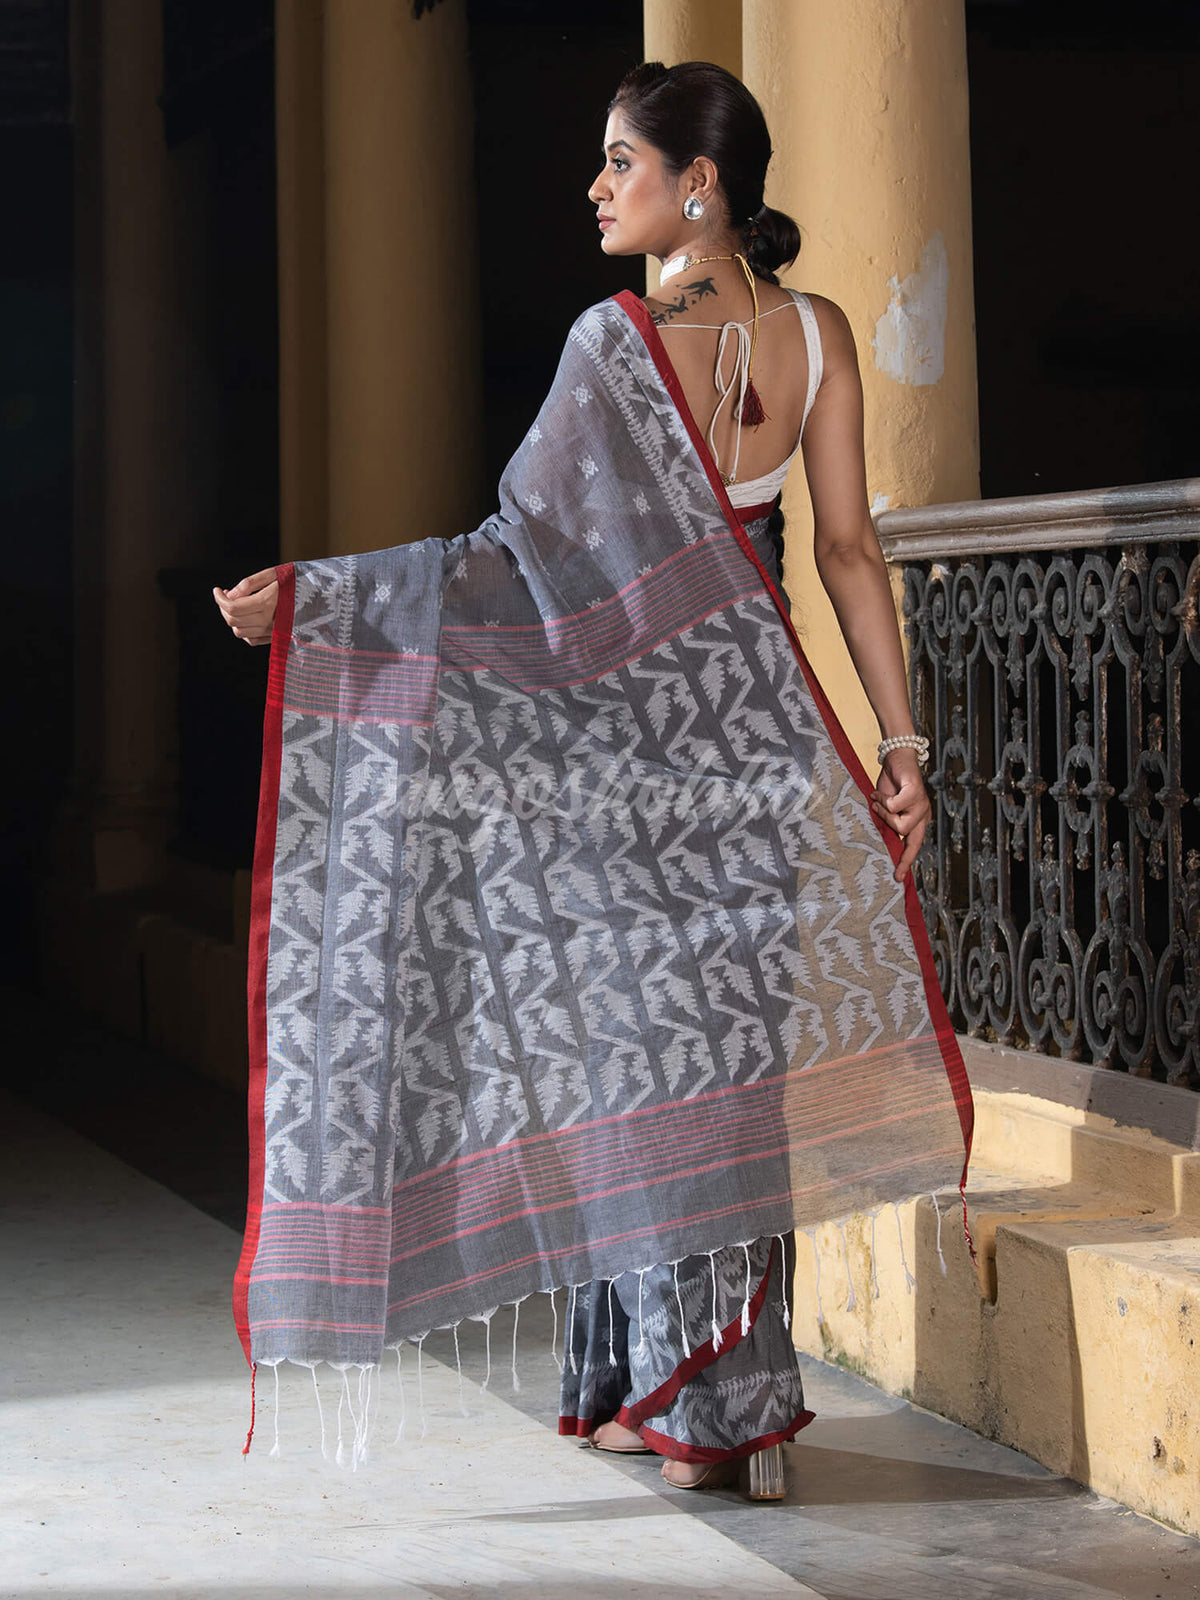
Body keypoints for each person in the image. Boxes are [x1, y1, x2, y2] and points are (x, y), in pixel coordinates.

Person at [214, 62, 952, 1501]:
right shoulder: (817, 332)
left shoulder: (614, 345)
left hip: (625, 770)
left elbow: (513, 566)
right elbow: (849, 554)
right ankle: (720, 1400)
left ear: (700, 184)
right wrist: (901, 745)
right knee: (732, 1074)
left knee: (636, 1072)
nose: (599, 187)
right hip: (755, 750)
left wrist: (325, 601)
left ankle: (679, 1409)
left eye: (624, 161)